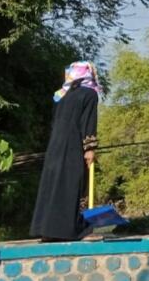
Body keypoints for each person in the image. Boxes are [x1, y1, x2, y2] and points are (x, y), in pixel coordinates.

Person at [30, 61, 103, 241]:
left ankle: (47, 231)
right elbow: (88, 122)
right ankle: (75, 230)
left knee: (54, 184)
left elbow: (54, 123)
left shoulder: (61, 95)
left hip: (55, 145)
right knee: (73, 183)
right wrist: (90, 148)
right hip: (73, 145)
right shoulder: (90, 94)